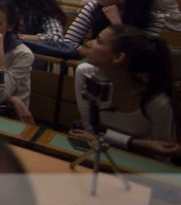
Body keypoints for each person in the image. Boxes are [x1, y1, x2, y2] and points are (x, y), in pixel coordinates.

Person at [70, 25, 180, 159]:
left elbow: (163, 152)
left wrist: (128, 143)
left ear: (118, 57)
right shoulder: (85, 73)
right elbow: (91, 132)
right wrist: (136, 143)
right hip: (101, 154)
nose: (89, 43)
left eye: (99, 41)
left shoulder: (157, 102)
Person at [59, 0, 166, 60]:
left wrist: (117, 25)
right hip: (97, 66)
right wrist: (99, 57)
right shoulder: (93, 7)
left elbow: (140, 58)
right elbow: (68, 43)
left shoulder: (154, 19)